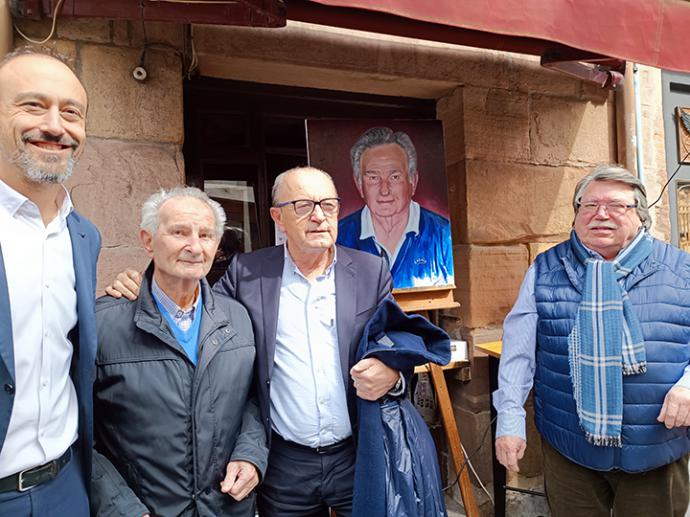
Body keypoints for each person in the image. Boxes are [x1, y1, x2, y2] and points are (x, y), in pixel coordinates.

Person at [107, 167, 405, 516]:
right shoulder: (247, 272)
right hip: (284, 463)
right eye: (304, 205)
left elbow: (396, 341)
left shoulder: (372, 271)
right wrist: (138, 287)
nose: (319, 216)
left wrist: (395, 376)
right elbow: (196, 313)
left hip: (356, 453)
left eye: (329, 205)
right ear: (278, 216)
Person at [494, 164, 690, 516]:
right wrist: (509, 422)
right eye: (588, 205)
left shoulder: (681, 271)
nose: (601, 214)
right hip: (570, 446)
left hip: (656, 447)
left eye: (616, 206)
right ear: (576, 215)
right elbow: (518, 354)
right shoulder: (544, 270)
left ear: (641, 217)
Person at [91, 187, 267, 517]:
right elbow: (77, 433)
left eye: (206, 235)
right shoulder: (102, 323)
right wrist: (122, 508)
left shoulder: (238, 318)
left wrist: (251, 454)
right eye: (179, 232)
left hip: (228, 508)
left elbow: (252, 401)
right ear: (147, 240)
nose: (195, 246)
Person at [0, 47, 100, 516]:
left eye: (71, 112)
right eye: (33, 105)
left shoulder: (84, 236)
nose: (56, 126)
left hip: (65, 487)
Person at [337, 126, 454, 289]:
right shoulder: (338, 238)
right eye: (373, 177)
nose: (384, 190)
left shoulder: (442, 235)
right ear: (359, 184)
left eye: (395, 176)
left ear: (413, 181)